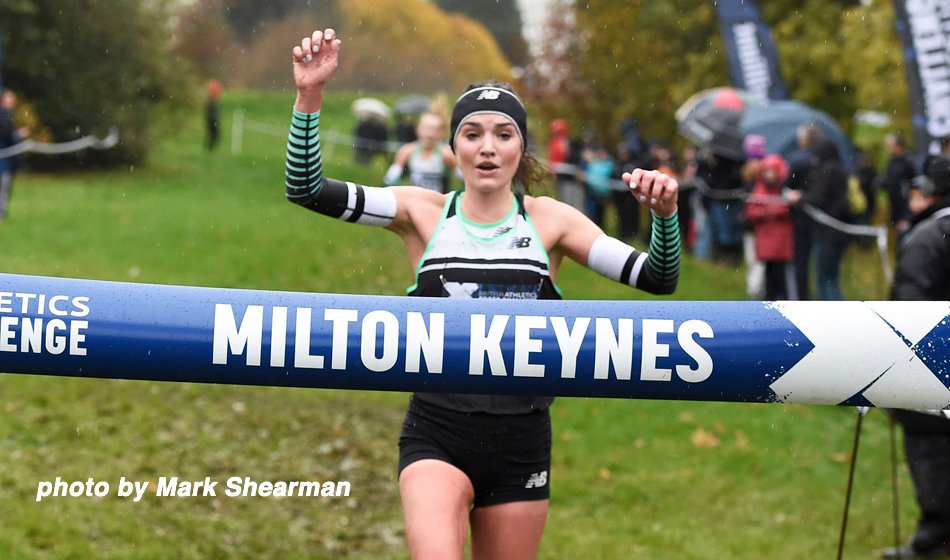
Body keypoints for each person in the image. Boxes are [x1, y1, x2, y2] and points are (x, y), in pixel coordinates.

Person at [286, 28, 681, 559]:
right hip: (437, 432)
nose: (488, 148)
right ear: (453, 148)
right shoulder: (421, 211)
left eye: (503, 134)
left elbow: (656, 277)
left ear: (522, 145)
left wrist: (664, 218)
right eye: (472, 134)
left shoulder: (553, 222)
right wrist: (309, 94)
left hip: (520, 442)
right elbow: (307, 189)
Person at [882, 156, 950, 560]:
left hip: (931, 369)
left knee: (929, 449)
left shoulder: (927, 237)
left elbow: (907, 314)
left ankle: (936, 535)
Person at [796, 138, 851, 300]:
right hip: (835, 232)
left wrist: (800, 198)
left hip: (828, 233)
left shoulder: (829, 171)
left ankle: (832, 316)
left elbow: (819, 198)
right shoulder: (839, 170)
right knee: (829, 276)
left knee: (826, 279)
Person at [744, 154, 797, 300]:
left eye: (772, 171)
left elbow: (790, 211)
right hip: (766, 239)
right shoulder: (760, 189)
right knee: (769, 276)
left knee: (781, 277)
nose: (769, 175)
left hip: (781, 241)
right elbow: (751, 212)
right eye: (767, 171)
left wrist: (778, 209)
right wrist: (769, 211)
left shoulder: (784, 191)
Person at [785, 123, 822, 300]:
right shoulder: (825, 159)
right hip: (822, 219)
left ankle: (802, 299)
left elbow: (786, 187)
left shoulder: (798, 160)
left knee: (800, 263)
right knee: (821, 267)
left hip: (801, 218)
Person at [384, 111, 457, 193]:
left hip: (439, 203)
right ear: (418, 129)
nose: (430, 134)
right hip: (415, 202)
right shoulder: (407, 151)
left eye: (434, 129)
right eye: (427, 128)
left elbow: (464, 177)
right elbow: (390, 178)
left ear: (441, 133)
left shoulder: (447, 154)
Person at [879, 132, 916, 239]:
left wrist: (907, 213)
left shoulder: (908, 161)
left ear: (898, 145)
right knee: (897, 237)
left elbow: (913, 185)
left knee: (906, 236)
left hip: (905, 208)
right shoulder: (892, 161)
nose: (888, 149)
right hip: (894, 207)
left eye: (890, 146)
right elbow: (889, 180)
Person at [0, 89, 30, 221]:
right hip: (3, 162)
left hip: (6, 161)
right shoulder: (4, 118)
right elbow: (7, 137)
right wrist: (18, 135)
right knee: (3, 189)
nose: (12, 103)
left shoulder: (7, 117)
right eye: (9, 100)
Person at [547, 118, 585, 212]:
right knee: (567, 204)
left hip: (575, 179)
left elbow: (579, 159)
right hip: (563, 179)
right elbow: (553, 161)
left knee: (577, 205)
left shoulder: (573, 143)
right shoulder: (554, 144)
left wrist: (581, 171)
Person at [206, 79, 222, 151]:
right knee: (214, 134)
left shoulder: (212, 101)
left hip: (212, 120)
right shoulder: (211, 102)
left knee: (213, 134)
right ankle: (210, 148)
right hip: (212, 120)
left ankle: (210, 148)